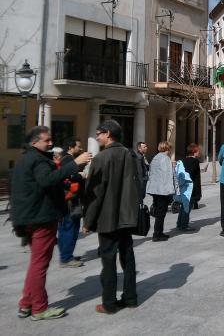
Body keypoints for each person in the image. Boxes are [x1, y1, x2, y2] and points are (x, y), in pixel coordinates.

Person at [11, 126, 91, 320]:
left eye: (50, 139)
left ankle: (26, 304)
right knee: (40, 264)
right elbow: (47, 180)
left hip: (29, 217)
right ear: (34, 142)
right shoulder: (37, 160)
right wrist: (75, 164)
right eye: (46, 140)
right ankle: (39, 308)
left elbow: (42, 183)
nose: (50, 143)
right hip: (41, 217)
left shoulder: (26, 159)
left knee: (35, 263)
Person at [83, 119, 139, 315]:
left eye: (99, 133)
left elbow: (94, 193)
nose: (97, 136)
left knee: (108, 261)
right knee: (128, 257)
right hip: (126, 216)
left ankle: (109, 302)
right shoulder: (129, 154)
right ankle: (130, 297)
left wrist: (88, 221)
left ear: (108, 134)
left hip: (107, 218)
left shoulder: (101, 158)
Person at [57, 137, 86, 268]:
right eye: (78, 146)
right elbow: (71, 177)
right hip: (71, 200)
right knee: (70, 228)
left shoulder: (63, 158)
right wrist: (82, 175)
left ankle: (66, 254)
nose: (80, 149)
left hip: (64, 200)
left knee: (65, 228)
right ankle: (66, 258)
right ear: (71, 147)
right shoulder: (69, 160)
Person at [146, 141, 175, 242]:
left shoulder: (155, 157)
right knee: (161, 213)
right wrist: (171, 191)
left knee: (159, 212)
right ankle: (157, 234)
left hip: (155, 189)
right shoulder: (165, 159)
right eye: (170, 148)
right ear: (167, 148)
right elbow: (168, 176)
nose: (170, 150)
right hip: (162, 190)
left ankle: (159, 232)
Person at [182, 143, 202, 209]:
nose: (199, 152)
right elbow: (192, 173)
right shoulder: (195, 161)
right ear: (194, 152)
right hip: (193, 184)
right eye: (198, 151)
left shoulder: (184, 160)